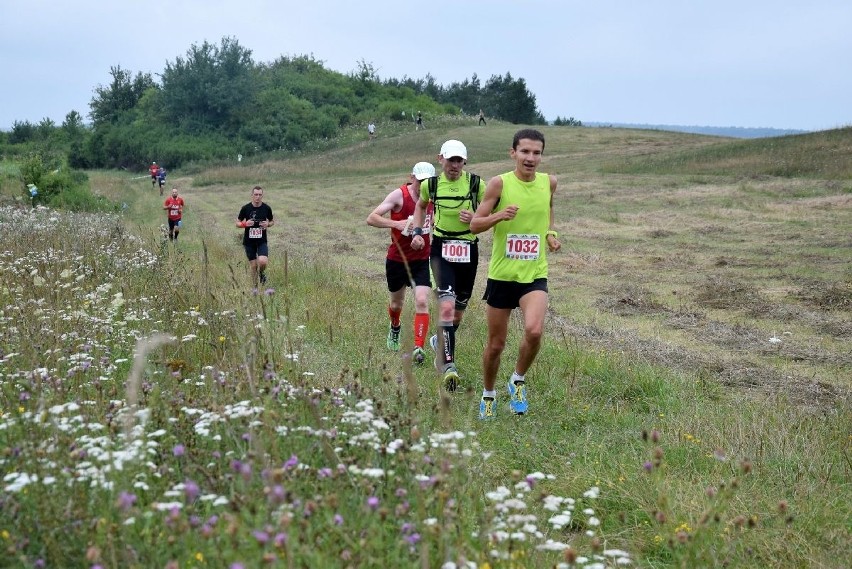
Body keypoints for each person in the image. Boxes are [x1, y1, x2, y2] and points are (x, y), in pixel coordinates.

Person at [470, 128, 561, 420]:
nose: (531, 158)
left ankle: (517, 380)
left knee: (534, 331)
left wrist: (550, 233)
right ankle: (488, 394)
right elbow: (474, 224)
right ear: (513, 153)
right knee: (496, 345)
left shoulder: (550, 183)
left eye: (536, 153)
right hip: (502, 275)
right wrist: (499, 216)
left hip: (534, 273)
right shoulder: (499, 184)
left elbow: (547, 209)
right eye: (525, 152)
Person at [411, 139, 485, 391]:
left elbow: (489, 213)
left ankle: (438, 341)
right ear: (440, 159)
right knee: (446, 304)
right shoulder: (430, 185)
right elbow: (420, 207)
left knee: (458, 313)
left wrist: (476, 218)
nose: (454, 165)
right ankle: (448, 364)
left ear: (465, 161)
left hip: (468, 250)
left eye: (459, 160)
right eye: (450, 159)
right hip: (441, 248)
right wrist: (418, 232)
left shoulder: (476, 184)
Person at [366, 161, 436, 364]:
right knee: (397, 304)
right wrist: (396, 223)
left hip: (422, 260)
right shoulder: (399, 196)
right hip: (398, 259)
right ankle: (395, 326)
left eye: (428, 182)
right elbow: (371, 218)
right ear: (412, 177)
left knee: (422, 301)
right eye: (420, 180)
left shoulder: (434, 197)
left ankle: (418, 348)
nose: (423, 185)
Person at [236, 186, 275, 287]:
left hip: (262, 240)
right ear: (252, 195)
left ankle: (261, 274)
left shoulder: (267, 208)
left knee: (262, 261)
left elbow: (272, 221)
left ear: (262, 195)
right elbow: (237, 223)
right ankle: (255, 288)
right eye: (256, 194)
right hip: (249, 242)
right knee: (253, 266)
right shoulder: (245, 208)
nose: (258, 197)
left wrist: (268, 224)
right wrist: (245, 224)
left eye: (260, 195)